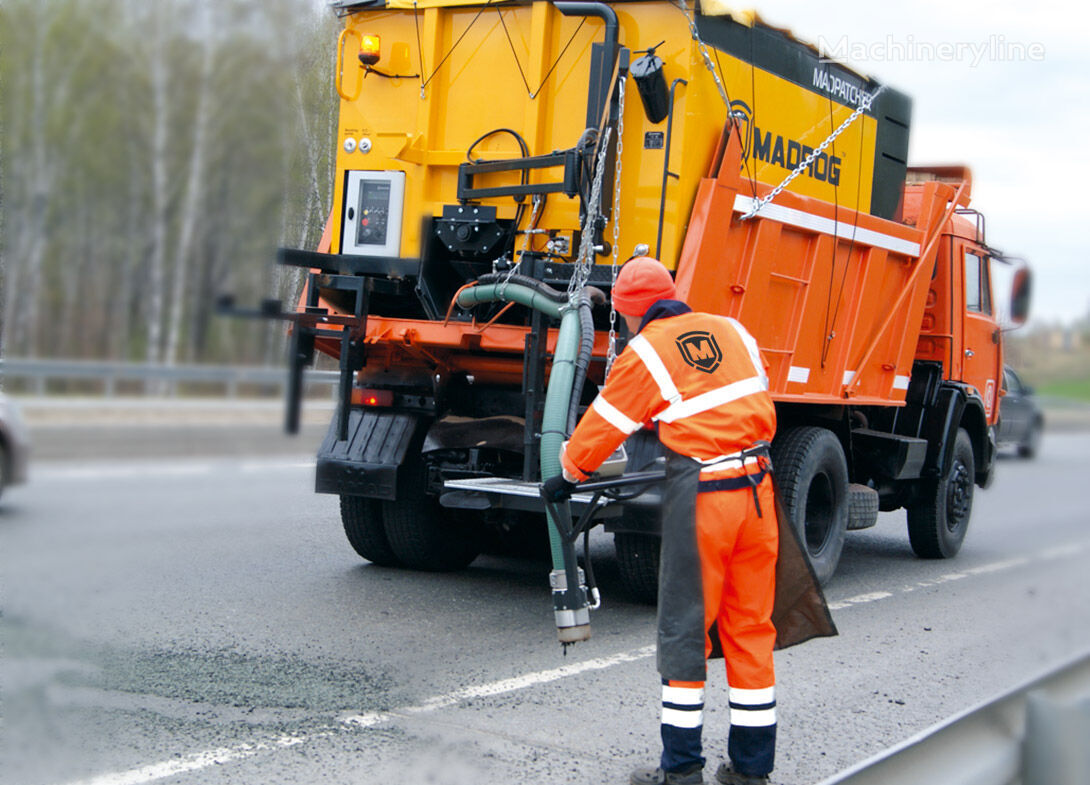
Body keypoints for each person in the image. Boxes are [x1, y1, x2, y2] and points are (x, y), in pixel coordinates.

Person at [544, 256, 779, 785]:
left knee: (685, 631)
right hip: (759, 491)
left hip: (705, 500)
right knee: (750, 629)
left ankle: (680, 771)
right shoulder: (733, 330)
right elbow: (740, 396)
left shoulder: (644, 351)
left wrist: (567, 475)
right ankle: (751, 771)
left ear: (629, 313)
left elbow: (604, 424)